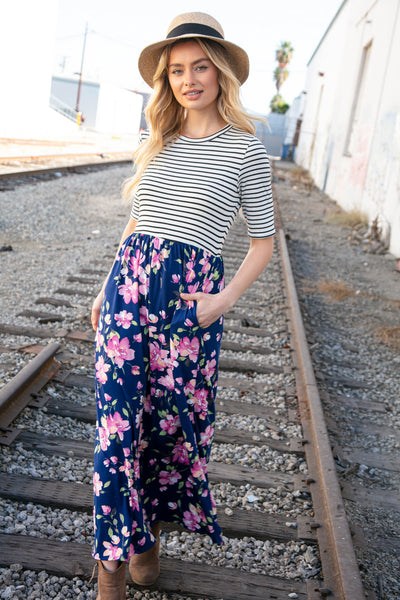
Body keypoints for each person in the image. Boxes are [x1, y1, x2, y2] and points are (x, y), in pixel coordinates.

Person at [90, 11, 275, 599]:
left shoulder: (246, 150)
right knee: (117, 429)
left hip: (187, 305)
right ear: (166, 80)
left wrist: (221, 301)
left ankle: (146, 535)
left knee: (169, 428)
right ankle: (111, 563)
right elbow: (138, 220)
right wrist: (104, 286)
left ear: (221, 73)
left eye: (200, 67)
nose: (188, 80)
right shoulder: (157, 139)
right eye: (176, 70)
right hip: (128, 294)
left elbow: (263, 242)